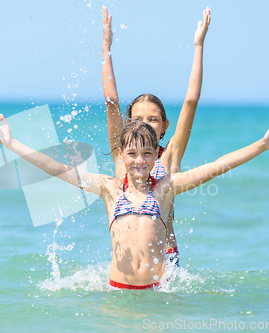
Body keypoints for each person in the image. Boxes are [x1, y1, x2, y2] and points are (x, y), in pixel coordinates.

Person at [0, 112, 269, 290]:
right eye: (132, 154)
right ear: (122, 156)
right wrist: (10, 142)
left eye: (147, 154)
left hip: (156, 293)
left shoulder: (165, 190)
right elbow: (55, 167)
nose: (140, 160)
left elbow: (217, 166)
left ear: (156, 156)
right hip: (118, 291)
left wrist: (262, 144)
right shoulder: (110, 190)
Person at [102, 6, 211, 264]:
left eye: (153, 119)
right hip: (126, 263)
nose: (146, 125)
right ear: (128, 124)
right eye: (138, 119)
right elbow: (110, 101)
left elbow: (191, 101)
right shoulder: (122, 156)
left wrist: (198, 46)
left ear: (164, 126)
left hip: (166, 259)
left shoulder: (170, 156)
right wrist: (106, 48)